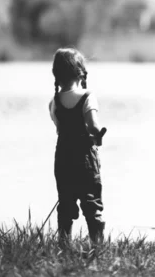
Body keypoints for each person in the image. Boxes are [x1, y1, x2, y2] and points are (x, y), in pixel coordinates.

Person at [49, 47, 106, 246]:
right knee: (92, 205)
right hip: (85, 161)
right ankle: (96, 246)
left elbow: (60, 128)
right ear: (80, 73)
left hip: (63, 159)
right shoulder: (87, 96)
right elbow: (93, 126)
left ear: (57, 75)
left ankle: (64, 245)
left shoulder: (54, 102)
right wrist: (97, 137)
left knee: (65, 204)